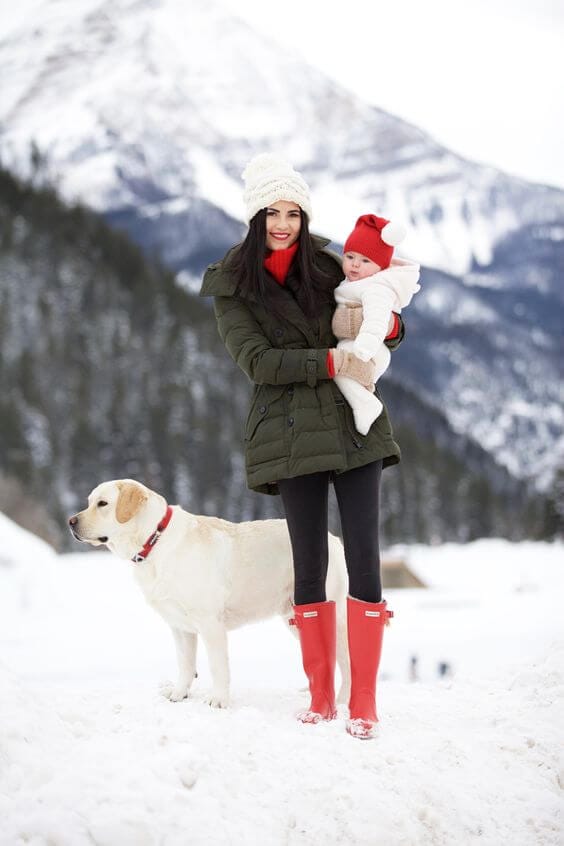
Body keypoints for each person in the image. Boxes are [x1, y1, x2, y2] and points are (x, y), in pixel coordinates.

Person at [199, 153, 403, 740]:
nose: (284, 223)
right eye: (273, 212)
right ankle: (320, 698)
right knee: (307, 563)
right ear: (255, 216)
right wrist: (335, 359)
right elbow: (259, 363)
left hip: (353, 423)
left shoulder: (329, 265)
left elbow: (376, 304)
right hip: (287, 433)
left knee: (364, 555)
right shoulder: (233, 285)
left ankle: (362, 701)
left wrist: (389, 328)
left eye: (293, 212)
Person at [334, 214, 420, 434]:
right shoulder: (354, 282)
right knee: (342, 369)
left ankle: (366, 405)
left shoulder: (376, 288)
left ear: (380, 267)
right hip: (360, 346)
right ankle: (363, 400)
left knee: (339, 365)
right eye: (350, 256)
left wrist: (365, 345)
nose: (354, 264)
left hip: (368, 348)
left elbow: (377, 319)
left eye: (365, 261)